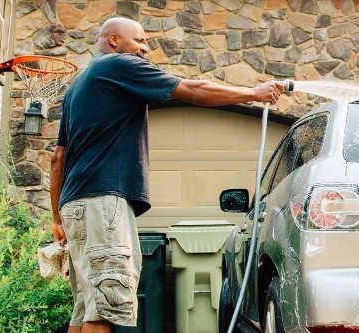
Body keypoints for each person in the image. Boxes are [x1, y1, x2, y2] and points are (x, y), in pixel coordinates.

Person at [48, 17, 285, 333]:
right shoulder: (119, 65)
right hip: (103, 202)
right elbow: (192, 90)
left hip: (75, 206)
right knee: (105, 309)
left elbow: (57, 159)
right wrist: (253, 93)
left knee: (86, 310)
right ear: (114, 40)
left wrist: (57, 219)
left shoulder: (78, 85)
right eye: (140, 40)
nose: (145, 48)